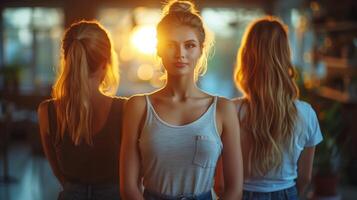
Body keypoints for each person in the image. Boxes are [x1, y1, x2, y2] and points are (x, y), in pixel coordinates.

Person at [119, 1, 243, 199]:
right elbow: (128, 187)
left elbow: (235, 189)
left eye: (189, 45)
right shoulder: (138, 106)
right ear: (158, 49)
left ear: (201, 49)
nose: (180, 54)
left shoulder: (222, 109)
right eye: (170, 45)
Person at [232, 16, 323, 200]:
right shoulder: (306, 113)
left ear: (246, 58)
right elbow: (305, 177)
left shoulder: (231, 111)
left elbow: (224, 178)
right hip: (287, 193)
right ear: (285, 58)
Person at [38, 20, 125, 200]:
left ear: (66, 60)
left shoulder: (46, 111)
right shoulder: (126, 109)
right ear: (105, 63)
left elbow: (59, 173)